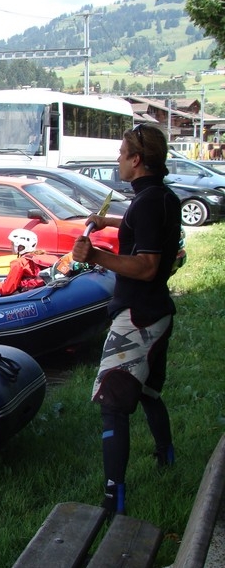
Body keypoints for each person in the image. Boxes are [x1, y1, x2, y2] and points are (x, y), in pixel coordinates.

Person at [72, 123, 181, 517]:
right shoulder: (160, 196)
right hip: (157, 311)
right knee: (148, 391)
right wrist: (111, 223)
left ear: (137, 159)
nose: (118, 159)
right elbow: (145, 227)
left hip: (138, 317)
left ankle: (112, 501)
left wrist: (95, 255)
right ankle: (166, 456)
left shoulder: (148, 202)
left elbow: (147, 266)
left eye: (122, 153)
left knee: (113, 404)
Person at [0, 229, 58, 297]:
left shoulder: (19, 262)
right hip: (41, 292)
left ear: (20, 246)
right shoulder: (39, 256)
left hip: (26, 295)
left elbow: (6, 289)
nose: (10, 247)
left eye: (12, 244)